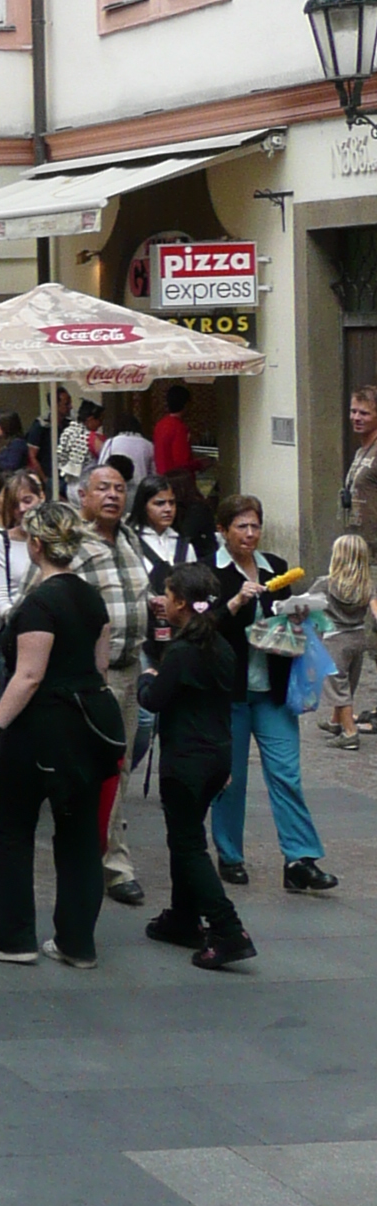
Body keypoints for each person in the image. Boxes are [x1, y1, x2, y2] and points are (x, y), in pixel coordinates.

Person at [0, 502, 117, 969]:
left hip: (41, 729)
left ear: (36, 545)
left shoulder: (40, 603)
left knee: (11, 826)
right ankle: (78, 942)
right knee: (78, 834)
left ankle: (14, 934)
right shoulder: (92, 597)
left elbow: (28, 675)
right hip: (88, 726)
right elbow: (100, 666)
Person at [209, 494, 336, 895]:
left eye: (255, 525)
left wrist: (300, 613)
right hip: (231, 689)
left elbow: (292, 619)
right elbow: (202, 626)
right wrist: (235, 602)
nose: (250, 534)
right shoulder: (213, 573)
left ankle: (299, 859)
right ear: (223, 530)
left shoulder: (276, 567)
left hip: (273, 688)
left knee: (286, 773)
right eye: (241, 526)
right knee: (230, 779)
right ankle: (230, 855)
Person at [136, 564, 254, 970]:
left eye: (167, 596)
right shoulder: (220, 647)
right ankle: (182, 917)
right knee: (185, 838)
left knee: (188, 845)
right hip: (217, 757)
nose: (162, 603)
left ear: (182, 603)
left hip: (185, 761)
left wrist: (146, 679)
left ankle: (227, 928)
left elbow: (153, 700)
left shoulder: (183, 652)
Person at [73, 461, 152, 908]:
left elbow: (134, 596)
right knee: (92, 769)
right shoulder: (73, 544)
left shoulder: (128, 538)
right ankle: (100, 859)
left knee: (118, 768)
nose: (112, 496)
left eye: (120, 489)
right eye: (103, 488)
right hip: (90, 674)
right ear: (83, 495)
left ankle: (110, 858)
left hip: (130, 667)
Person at [309, 531, 372, 744]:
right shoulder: (368, 585)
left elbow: (305, 604)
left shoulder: (326, 583)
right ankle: (336, 722)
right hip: (358, 637)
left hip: (335, 640)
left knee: (337, 685)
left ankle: (349, 733)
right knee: (348, 682)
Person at [153, 385, 216, 547]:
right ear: (187, 404)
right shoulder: (179, 427)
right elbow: (182, 463)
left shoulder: (160, 425)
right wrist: (201, 464)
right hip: (180, 486)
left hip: (162, 480)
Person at [0, 471, 44, 623]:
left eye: (27, 500)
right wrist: (19, 619)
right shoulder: (0, 542)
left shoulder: (56, 538)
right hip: (18, 623)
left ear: (41, 498)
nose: (22, 509)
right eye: (15, 505)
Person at [346, 384, 377, 550]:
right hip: (357, 547)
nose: (356, 417)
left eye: (364, 413)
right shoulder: (360, 452)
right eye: (353, 411)